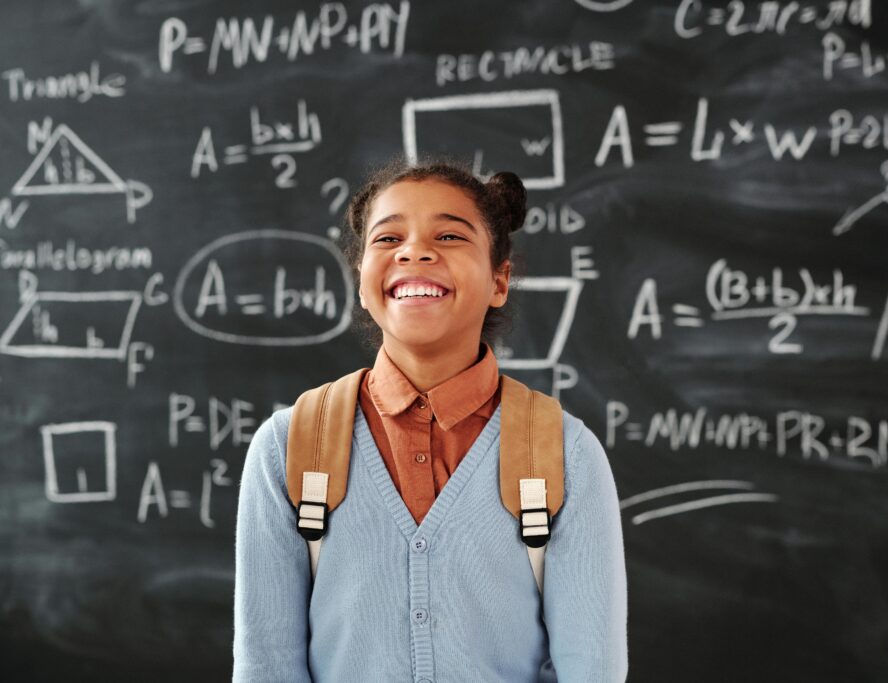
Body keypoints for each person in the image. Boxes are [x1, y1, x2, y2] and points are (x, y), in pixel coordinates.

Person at [232, 156, 628, 682]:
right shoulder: (288, 447)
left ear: (499, 280)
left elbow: (592, 670)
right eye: (388, 239)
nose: (415, 251)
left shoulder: (563, 452)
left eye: (449, 237)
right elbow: (267, 666)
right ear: (361, 278)